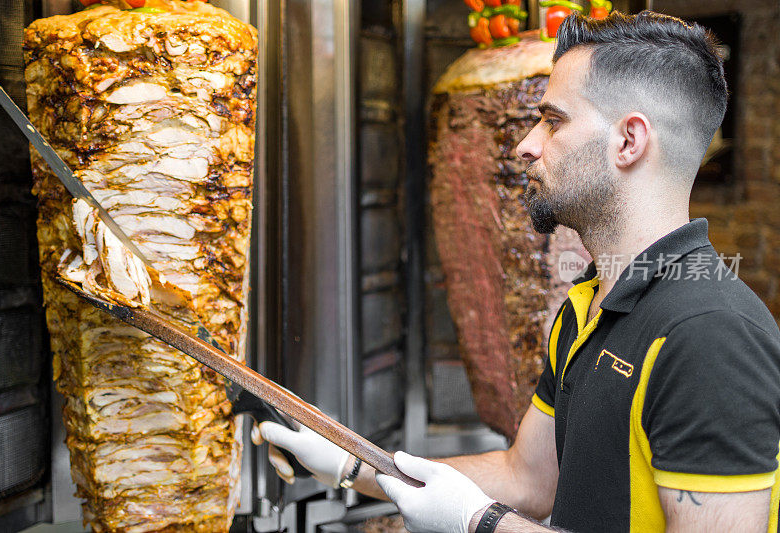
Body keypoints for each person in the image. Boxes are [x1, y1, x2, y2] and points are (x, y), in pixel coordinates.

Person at [252, 11, 780, 533]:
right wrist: (353, 466)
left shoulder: (711, 335)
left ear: (628, 142)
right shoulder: (589, 305)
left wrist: (478, 523)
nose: (527, 144)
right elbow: (525, 478)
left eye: (552, 121)